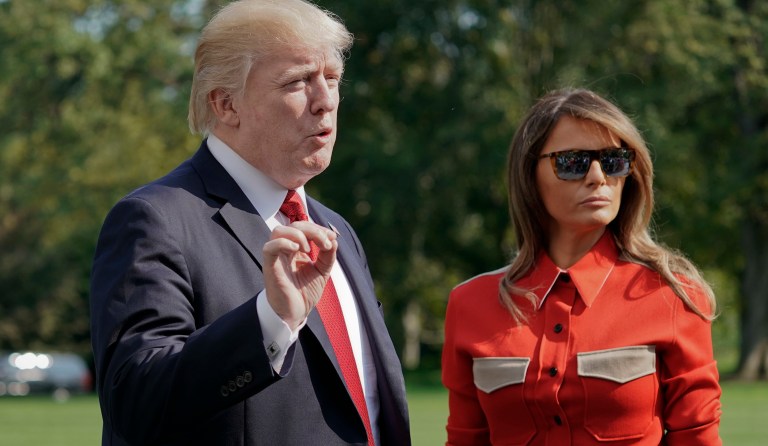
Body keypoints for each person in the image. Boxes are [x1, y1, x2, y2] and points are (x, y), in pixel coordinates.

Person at [89, 1, 411, 445]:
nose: (325, 102)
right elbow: (135, 404)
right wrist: (270, 320)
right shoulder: (154, 220)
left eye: (332, 79)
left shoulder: (336, 228)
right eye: (298, 81)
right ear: (226, 103)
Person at [441, 88, 722, 445]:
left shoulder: (673, 295)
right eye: (572, 162)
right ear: (530, 174)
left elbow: (698, 439)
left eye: (614, 160)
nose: (597, 177)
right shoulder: (470, 304)